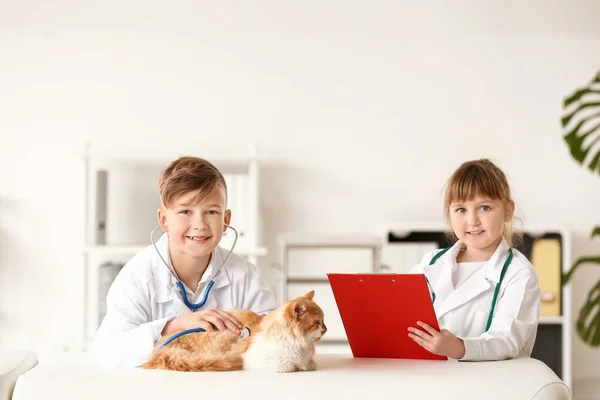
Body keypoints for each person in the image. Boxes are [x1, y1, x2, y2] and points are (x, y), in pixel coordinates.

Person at [91, 156, 277, 367]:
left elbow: (274, 336)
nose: (199, 224)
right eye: (185, 211)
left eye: (211, 212)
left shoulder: (244, 276)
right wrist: (173, 326)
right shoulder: (139, 275)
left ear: (226, 220)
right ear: (164, 220)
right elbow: (106, 352)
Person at [407, 159, 540, 361]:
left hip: (489, 385)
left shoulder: (519, 273)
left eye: (484, 208)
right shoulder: (430, 263)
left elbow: (507, 341)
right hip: (431, 380)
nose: (472, 220)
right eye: (461, 210)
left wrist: (459, 348)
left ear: (508, 210)